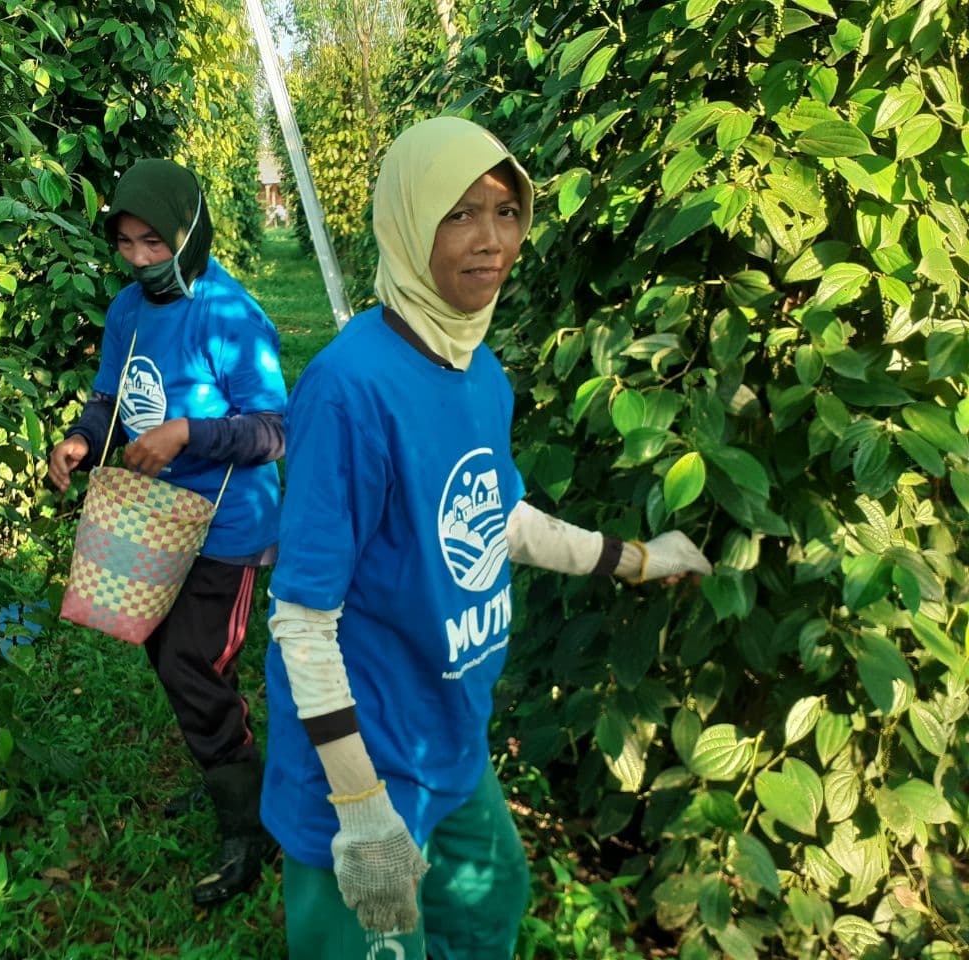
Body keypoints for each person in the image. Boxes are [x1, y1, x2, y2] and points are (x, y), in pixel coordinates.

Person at [260, 117, 712, 958]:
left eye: (506, 213)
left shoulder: (479, 371)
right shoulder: (350, 391)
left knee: (491, 894)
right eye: (459, 214)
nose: (490, 241)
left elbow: (496, 518)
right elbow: (302, 622)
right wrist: (361, 814)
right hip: (363, 755)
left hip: (446, 730)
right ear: (407, 222)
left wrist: (638, 560)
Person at [48, 159, 287, 906]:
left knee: (194, 661)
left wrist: (187, 433)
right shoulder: (129, 310)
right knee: (164, 649)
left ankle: (251, 826)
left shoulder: (231, 318)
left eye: (155, 242)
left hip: (226, 527)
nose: (142, 259)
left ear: (188, 232)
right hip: (150, 519)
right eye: (127, 244)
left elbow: (276, 429)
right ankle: (229, 780)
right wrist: (84, 439)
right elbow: (109, 396)